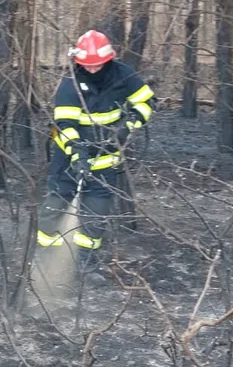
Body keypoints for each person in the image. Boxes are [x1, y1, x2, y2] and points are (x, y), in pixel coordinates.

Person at [37, 30, 155, 282]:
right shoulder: (69, 83)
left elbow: (147, 101)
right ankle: (47, 254)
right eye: (86, 66)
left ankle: (85, 262)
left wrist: (131, 122)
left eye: (97, 65)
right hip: (69, 159)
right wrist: (77, 152)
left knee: (96, 214)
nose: (92, 70)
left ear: (108, 59)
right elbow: (64, 124)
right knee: (55, 206)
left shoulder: (123, 75)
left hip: (107, 159)